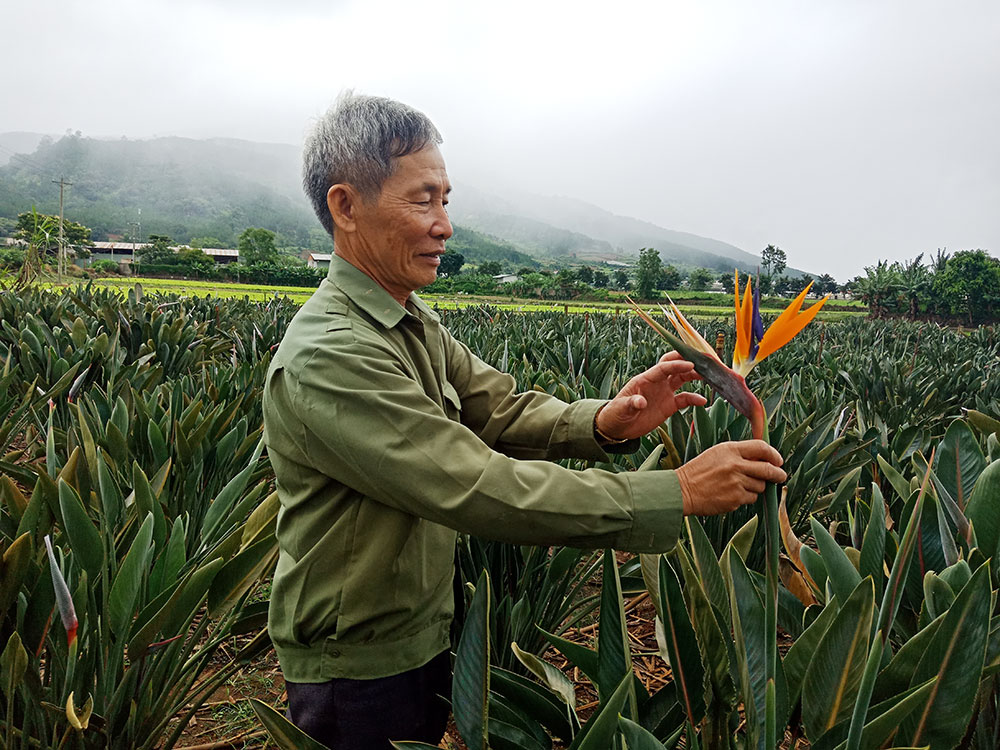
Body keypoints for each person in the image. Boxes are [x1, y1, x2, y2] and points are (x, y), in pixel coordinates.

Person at [261, 92, 786, 750]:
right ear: (346, 206)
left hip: (420, 631)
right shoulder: (332, 353)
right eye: (423, 199)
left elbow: (499, 406)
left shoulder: (407, 319)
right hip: (357, 667)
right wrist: (672, 492)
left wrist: (608, 422)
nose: (444, 224)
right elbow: (476, 486)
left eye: (445, 198)